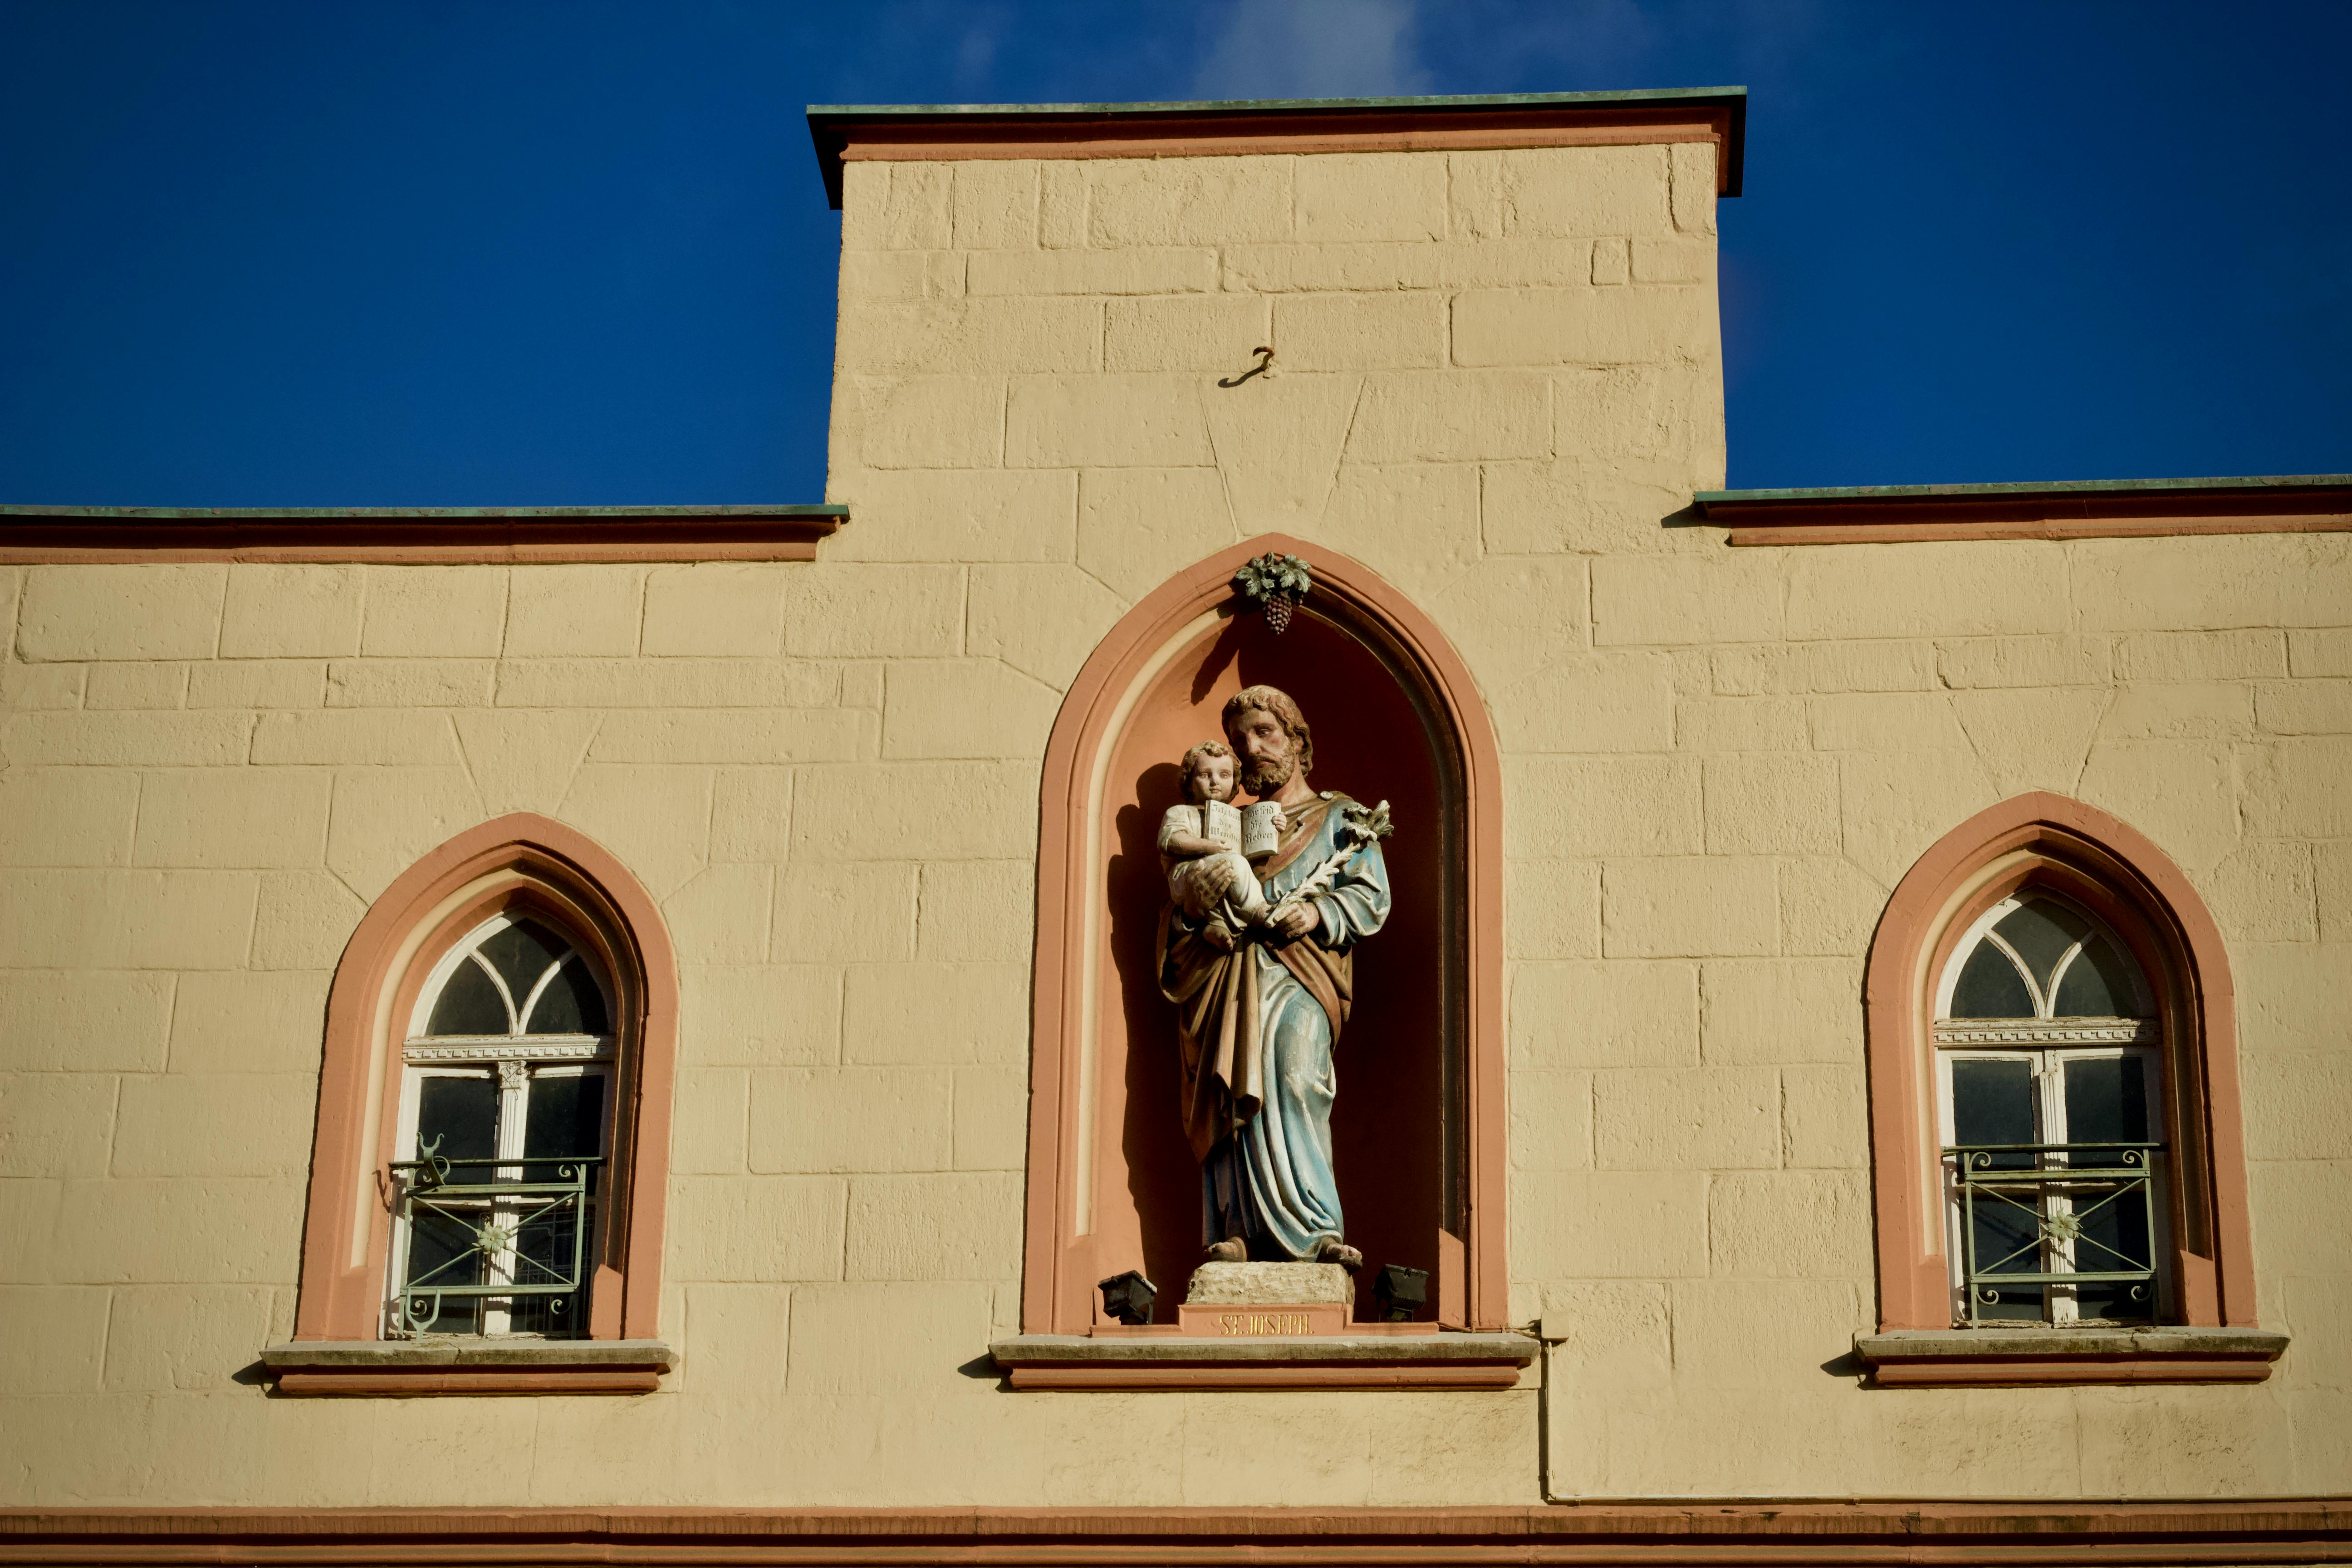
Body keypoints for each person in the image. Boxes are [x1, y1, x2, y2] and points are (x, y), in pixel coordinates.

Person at [1155, 685, 1391, 1270]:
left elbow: (1371, 895)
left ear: (1297, 742)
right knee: (1229, 1083)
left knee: (1294, 1074)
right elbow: (1178, 923)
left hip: (1302, 979)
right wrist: (1193, 912)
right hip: (1229, 982)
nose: (1250, 748)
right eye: (1240, 741)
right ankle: (1238, 1229)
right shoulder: (1221, 830)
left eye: (1265, 733)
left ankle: (1315, 1226)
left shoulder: (1341, 819)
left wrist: (1316, 912)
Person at [1157, 740, 1275, 951]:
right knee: (1235, 864)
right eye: (1205, 775)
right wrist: (1208, 846)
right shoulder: (1181, 812)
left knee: (1233, 871)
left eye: (1224, 775)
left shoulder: (1239, 816)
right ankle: (1258, 911)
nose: (1214, 782)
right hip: (1186, 874)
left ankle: (1217, 925)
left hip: (1222, 872)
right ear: (1190, 781)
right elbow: (1171, 840)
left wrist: (1276, 825)